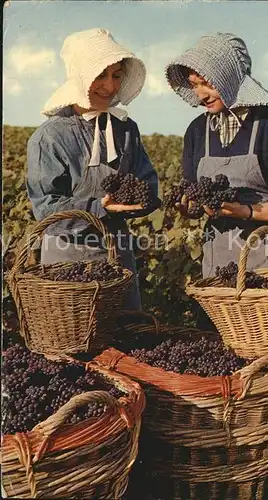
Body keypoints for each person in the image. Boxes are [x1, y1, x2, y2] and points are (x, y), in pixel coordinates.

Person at [26, 28, 159, 310]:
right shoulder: (50, 137)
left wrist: (138, 200)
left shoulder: (125, 129)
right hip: (68, 255)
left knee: (125, 335)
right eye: (100, 75)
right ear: (80, 77)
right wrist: (99, 207)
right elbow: (45, 207)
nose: (109, 87)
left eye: (117, 75)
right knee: (76, 341)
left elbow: (147, 182)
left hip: (118, 251)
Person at [165, 33, 268, 278]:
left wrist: (246, 211)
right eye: (194, 84)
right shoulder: (197, 132)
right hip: (218, 260)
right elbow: (195, 196)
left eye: (207, 83)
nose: (201, 94)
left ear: (230, 78)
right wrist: (189, 208)